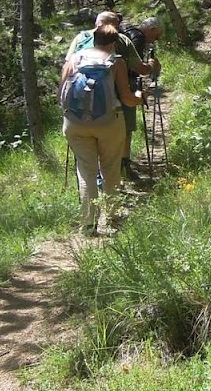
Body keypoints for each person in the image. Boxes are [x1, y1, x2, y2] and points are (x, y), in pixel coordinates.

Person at [60, 20, 142, 235]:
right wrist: (141, 97)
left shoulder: (73, 60)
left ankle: (88, 224)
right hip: (108, 123)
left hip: (75, 124)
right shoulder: (116, 62)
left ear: (93, 40)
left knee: (86, 171)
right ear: (114, 43)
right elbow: (127, 98)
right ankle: (111, 218)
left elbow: (61, 93)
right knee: (110, 169)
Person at [118, 17, 163, 180]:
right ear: (151, 30)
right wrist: (150, 66)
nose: (155, 41)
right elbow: (134, 66)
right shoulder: (138, 38)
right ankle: (124, 165)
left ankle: (119, 164)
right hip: (125, 84)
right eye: (156, 36)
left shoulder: (127, 32)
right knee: (127, 127)